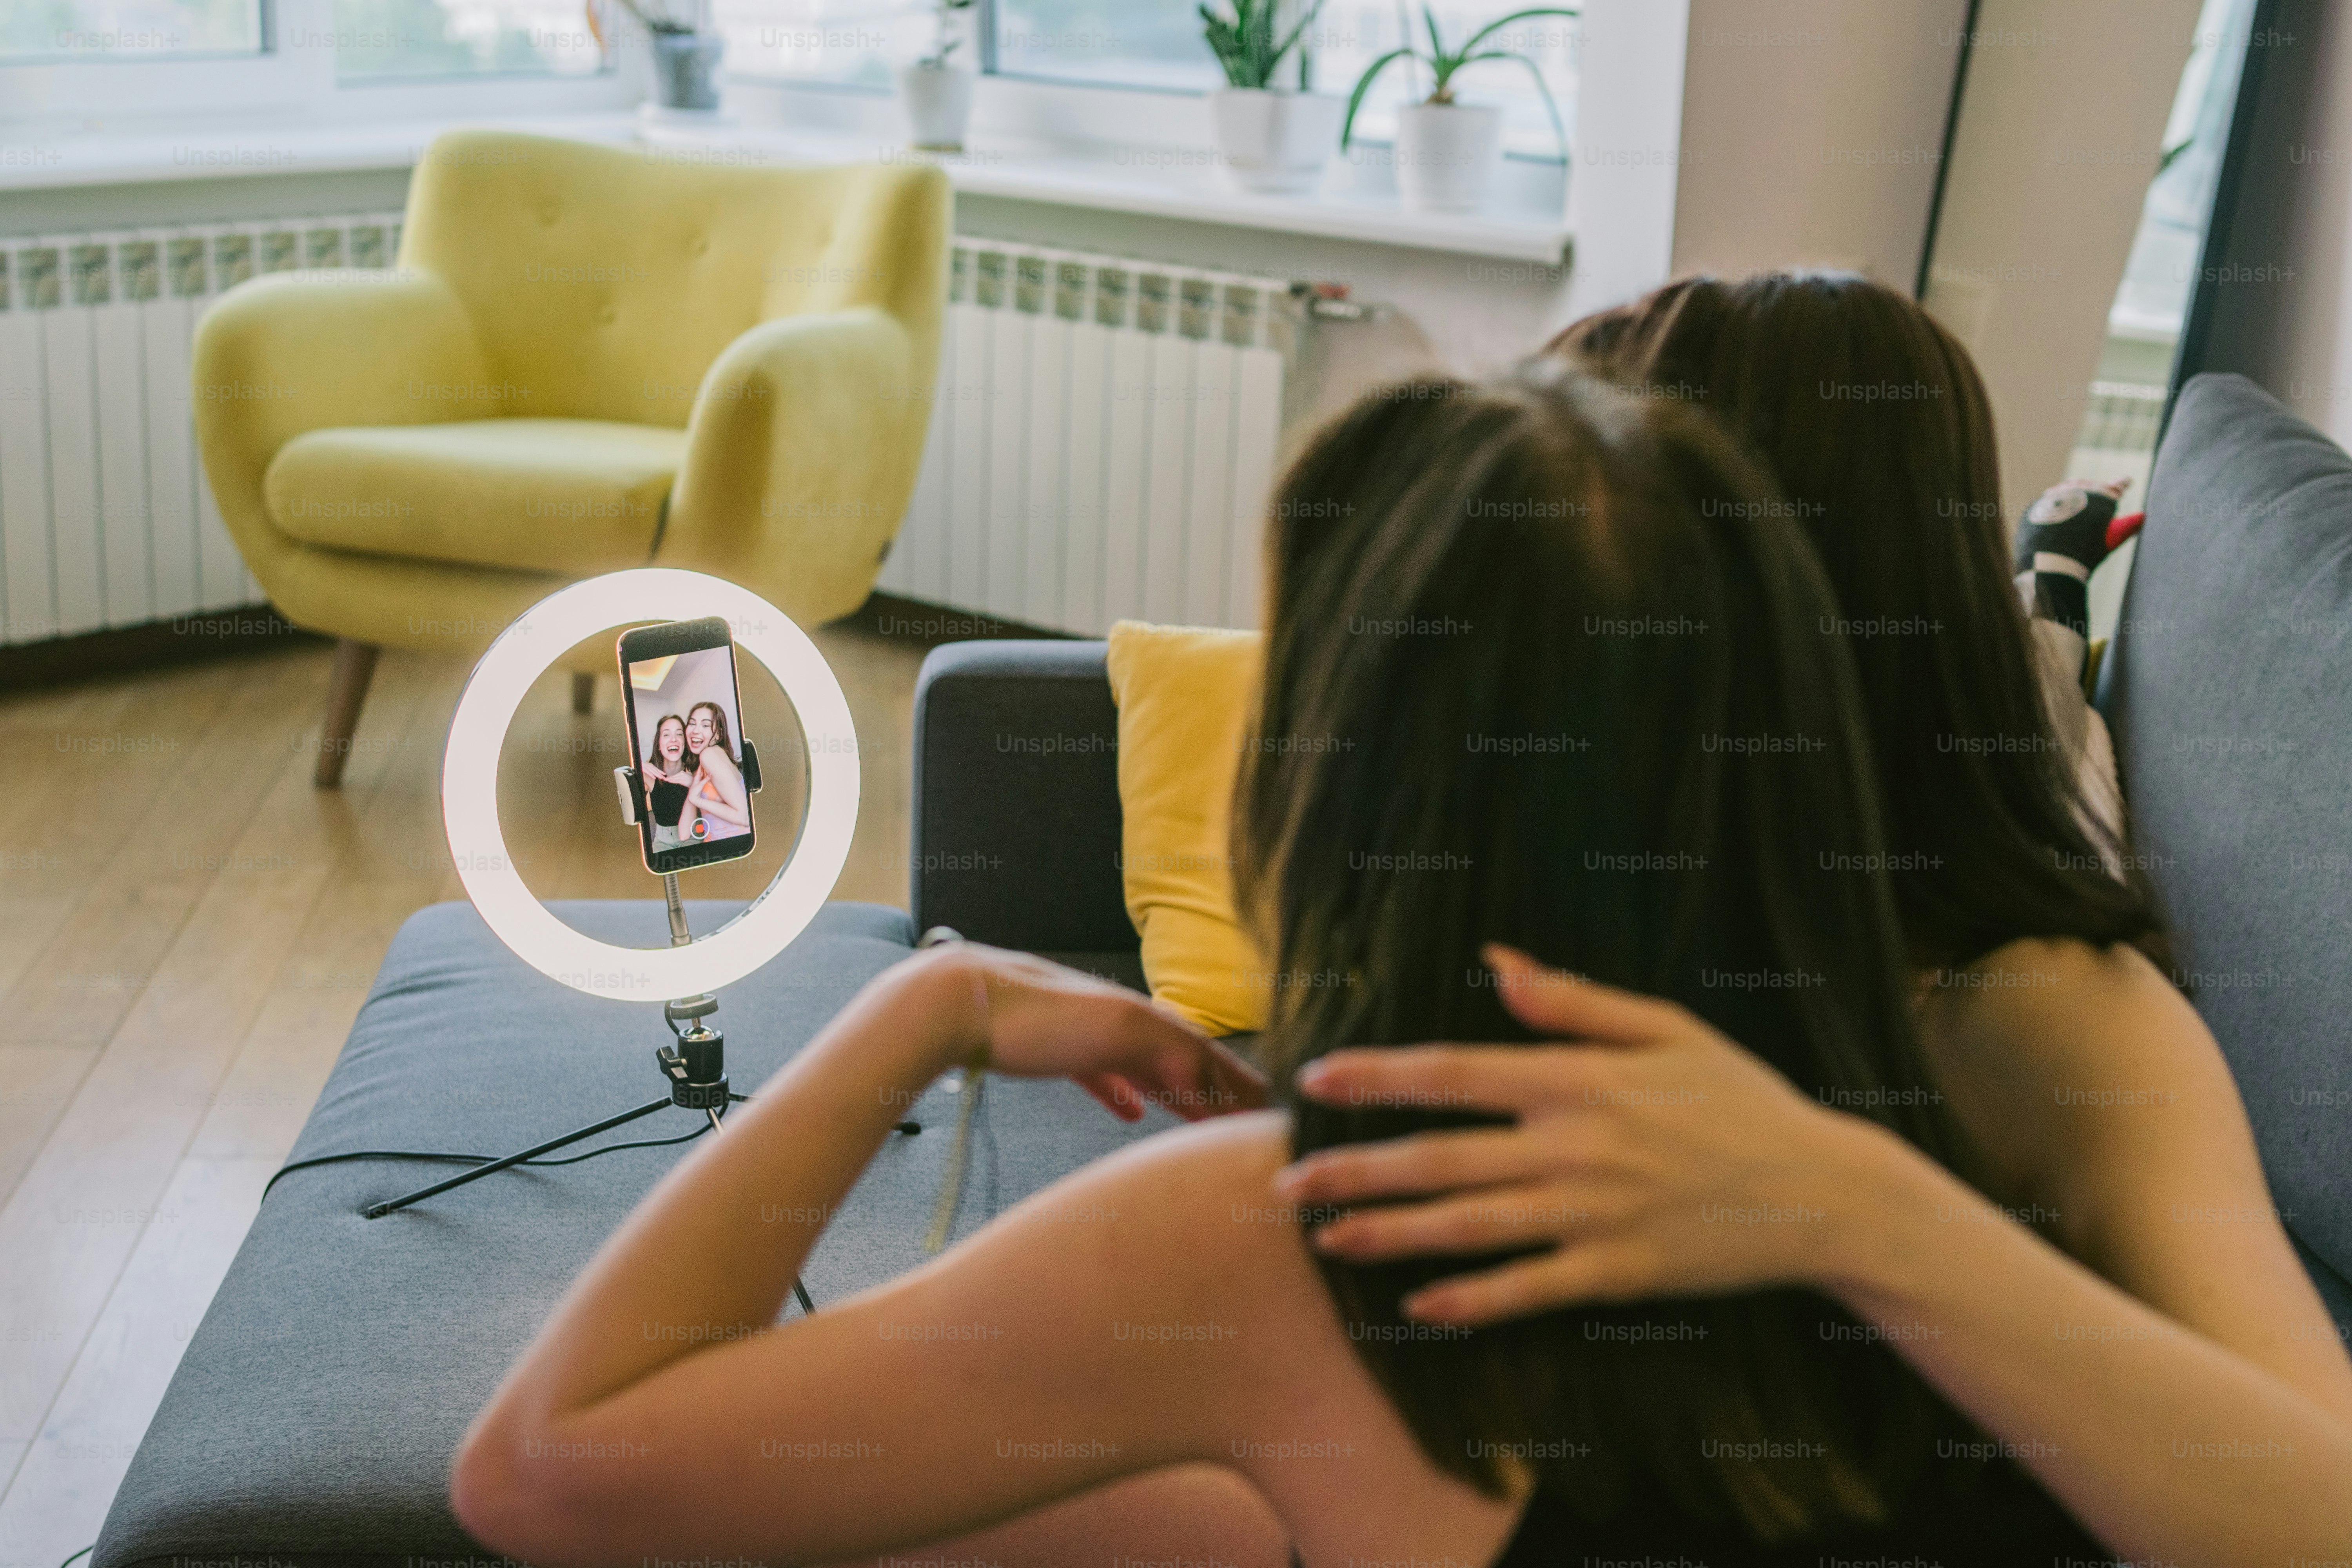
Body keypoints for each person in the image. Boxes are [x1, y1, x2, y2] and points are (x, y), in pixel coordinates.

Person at [448, 367, 2352, 1566]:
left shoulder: (1293, 1230)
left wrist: (911, 1008)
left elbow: (547, 1470)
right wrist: (1864, 1204)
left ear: (1324, 778)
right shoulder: (2007, 1041)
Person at [682, 699, 750, 842]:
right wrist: (692, 787)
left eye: (705, 725)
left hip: (733, 846)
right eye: (692, 723)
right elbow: (684, 834)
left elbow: (745, 818)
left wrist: (698, 800)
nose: (695, 730)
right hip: (716, 846)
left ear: (719, 734)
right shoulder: (704, 765)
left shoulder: (709, 755)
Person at [639, 714, 698, 853]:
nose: (674, 739)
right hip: (662, 841)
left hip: (692, 836)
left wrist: (694, 784)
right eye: (666, 735)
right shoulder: (651, 775)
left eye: (679, 734)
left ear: (685, 742)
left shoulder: (696, 770)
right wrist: (638, 765)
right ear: (659, 745)